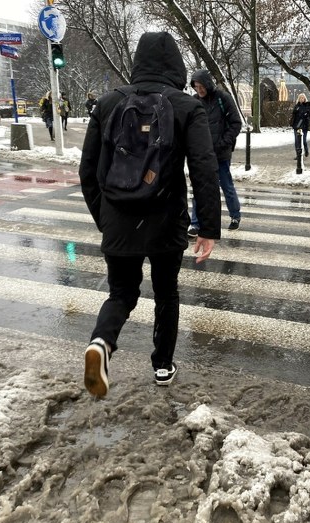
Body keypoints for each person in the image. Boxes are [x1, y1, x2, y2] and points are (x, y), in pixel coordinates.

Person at [78, 31, 221, 397]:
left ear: (137, 62)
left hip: (118, 218)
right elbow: (204, 167)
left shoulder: (108, 104)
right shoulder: (187, 107)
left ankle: (102, 342)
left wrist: (105, 218)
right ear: (176, 65)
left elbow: (88, 170)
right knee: (165, 292)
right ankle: (162, 365)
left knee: (122, 293)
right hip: (165, 218)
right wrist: (208, 227)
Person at [187, 69, 243, 236]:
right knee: (199, 187)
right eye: (196, 87)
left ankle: (235, 216)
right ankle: (195, 223)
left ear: (207, 84)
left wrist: (223, 143)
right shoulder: (195, 101)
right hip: (202, 153)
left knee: (226, 185)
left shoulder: (222, 98)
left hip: (220, 152)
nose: (199, 90)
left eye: (201, 86)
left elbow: (235, 123)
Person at [290, 93, 310, 159]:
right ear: (298, 99)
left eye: (303, 98)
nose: (301, 99)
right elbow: (293, 116)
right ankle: (298, 155)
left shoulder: (307, 106)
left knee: (304, 140)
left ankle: (306, 150)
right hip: (297, 126)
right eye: (300, 98)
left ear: (305, 99)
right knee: (297, 141)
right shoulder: (297, 106)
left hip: (304, 125)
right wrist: (291, 122)